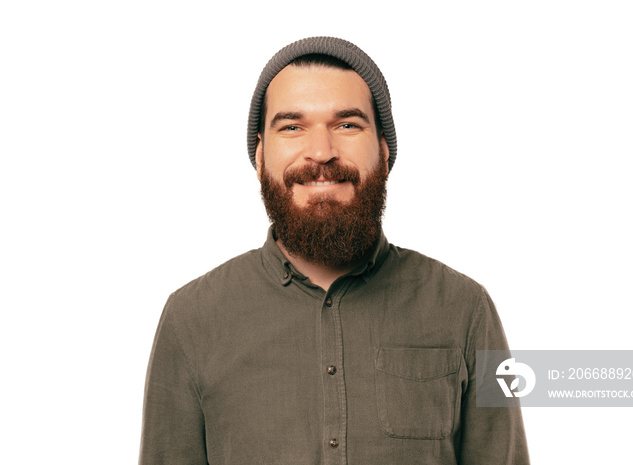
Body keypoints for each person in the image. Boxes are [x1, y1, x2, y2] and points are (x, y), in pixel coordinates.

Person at [139, 36, 530, 465]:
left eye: (347, 125)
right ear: (259, 156)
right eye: (292, 127)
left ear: (383, 150)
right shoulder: (190, 320)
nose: (322, 152)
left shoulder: (467, 310)